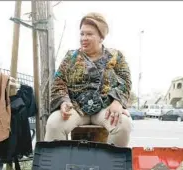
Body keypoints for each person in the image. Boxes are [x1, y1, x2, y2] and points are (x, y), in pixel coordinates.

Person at [44, 12, 132, 147]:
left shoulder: (116, 56)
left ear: (101, 37)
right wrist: (64, 102)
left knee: (123, 124)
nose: (84, 38)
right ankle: (58, 166)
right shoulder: (70, 57)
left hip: (105, 107)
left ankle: (110, 166)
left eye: (89, 34)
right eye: (82, 34)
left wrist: (118, 101)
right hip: (77, 108)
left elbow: (125, 80)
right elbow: (59, 82)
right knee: (54, 124)